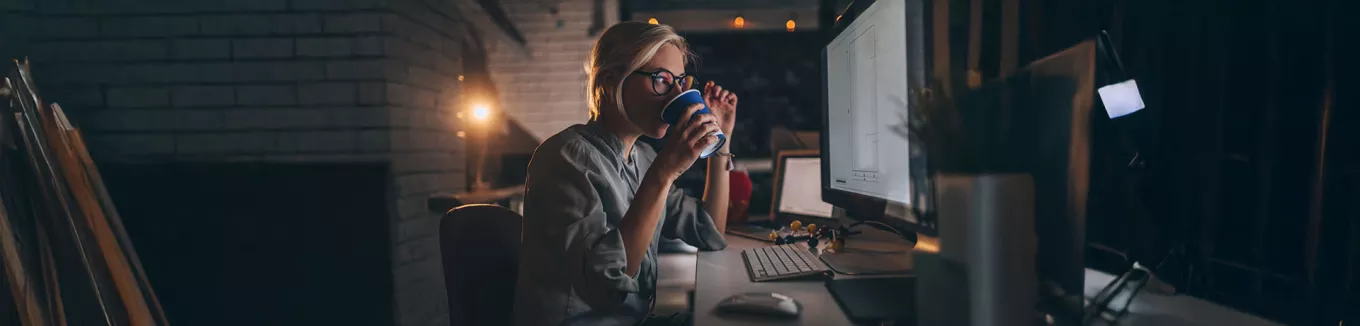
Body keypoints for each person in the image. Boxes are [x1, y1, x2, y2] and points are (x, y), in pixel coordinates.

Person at [511, 21, 738, 326]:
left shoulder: (644, 157)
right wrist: (664, 173)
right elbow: (605, 286)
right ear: (609, 82)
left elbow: (710, 233)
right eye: (661, 80)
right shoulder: (565, 157)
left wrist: (721, 141)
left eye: (681, 82)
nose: (676, 95)